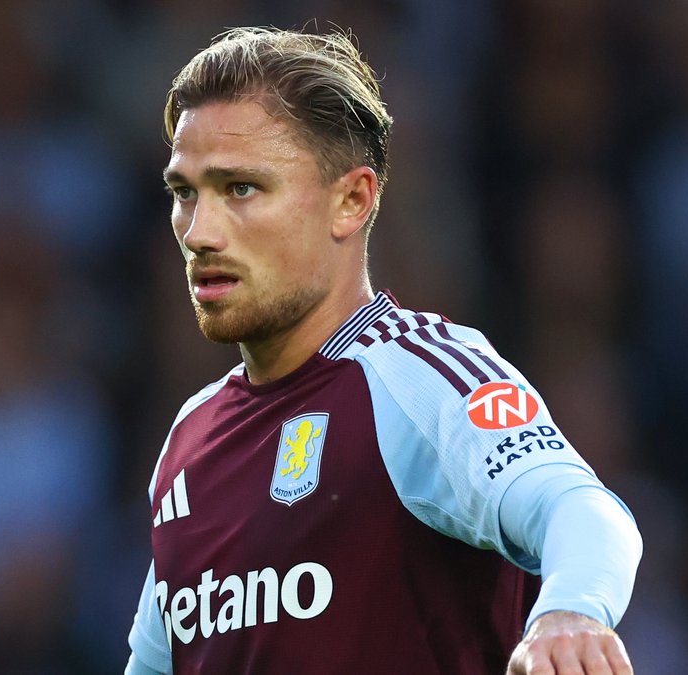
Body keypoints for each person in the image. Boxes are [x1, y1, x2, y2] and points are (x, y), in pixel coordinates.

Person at [126, 27, 642, 675]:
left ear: (352, 200)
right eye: (185, 193)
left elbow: (580, 507)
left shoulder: (414, 375)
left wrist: (570, 611)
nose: (199, 232)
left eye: (241, 189)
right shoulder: (190, 443)